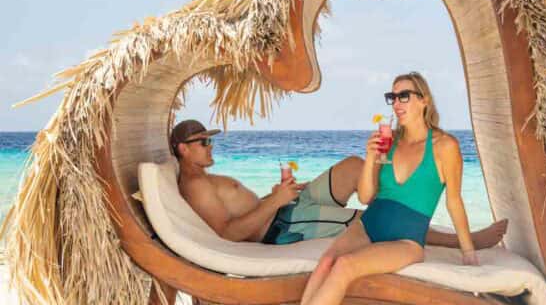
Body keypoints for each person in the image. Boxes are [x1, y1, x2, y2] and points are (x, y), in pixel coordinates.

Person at [236, 71, 485, 305]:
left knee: (344, 266)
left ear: (424, 100)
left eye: (403, 96)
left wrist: (468, 250)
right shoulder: (388, 142)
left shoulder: (445, 146)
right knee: (326, 261)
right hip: (370, 223)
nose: (396, 104)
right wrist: (370, 158)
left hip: (406, 239)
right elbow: (367, 196)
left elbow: (455, 202)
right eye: (392, 98)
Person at [171, 118, 507, 249]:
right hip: (281, 224)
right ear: (184, 149)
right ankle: (459, 240)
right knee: (369, 222)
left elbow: (240, 212)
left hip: (284, 207)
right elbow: (228, 234)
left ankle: (397, 201)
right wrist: (275, 203)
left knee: (353, 167)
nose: (210, 146)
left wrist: (275, 195)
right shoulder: (197, 187)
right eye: (203, 142)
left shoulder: (207, 179)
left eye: (210, 140)